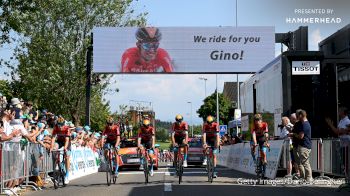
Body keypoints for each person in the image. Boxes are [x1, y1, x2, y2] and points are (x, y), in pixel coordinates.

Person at [293, 109, 313, 182]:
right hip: (302, 145)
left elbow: (300, 136)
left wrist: (294, 134)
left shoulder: (305, 124)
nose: (297, 117)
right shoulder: (304, 123)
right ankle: (305, 177)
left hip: (304, 146)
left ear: (301, 115)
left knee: (305, 162)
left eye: (298, 115)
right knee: (303, 162)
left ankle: (309, 177)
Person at [50, 116, 71, 184]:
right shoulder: (56, 127)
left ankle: (67, 174)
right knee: (54, 148)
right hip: (59, 141)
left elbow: (67, 140)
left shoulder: (67, 128)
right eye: (59, 125)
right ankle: (56, 163)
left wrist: (65, 148)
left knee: (67, 156)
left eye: (61, 125)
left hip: (66, 142)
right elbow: (53, 138)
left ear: (64, 124)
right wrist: (51, 147)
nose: (60, 127)